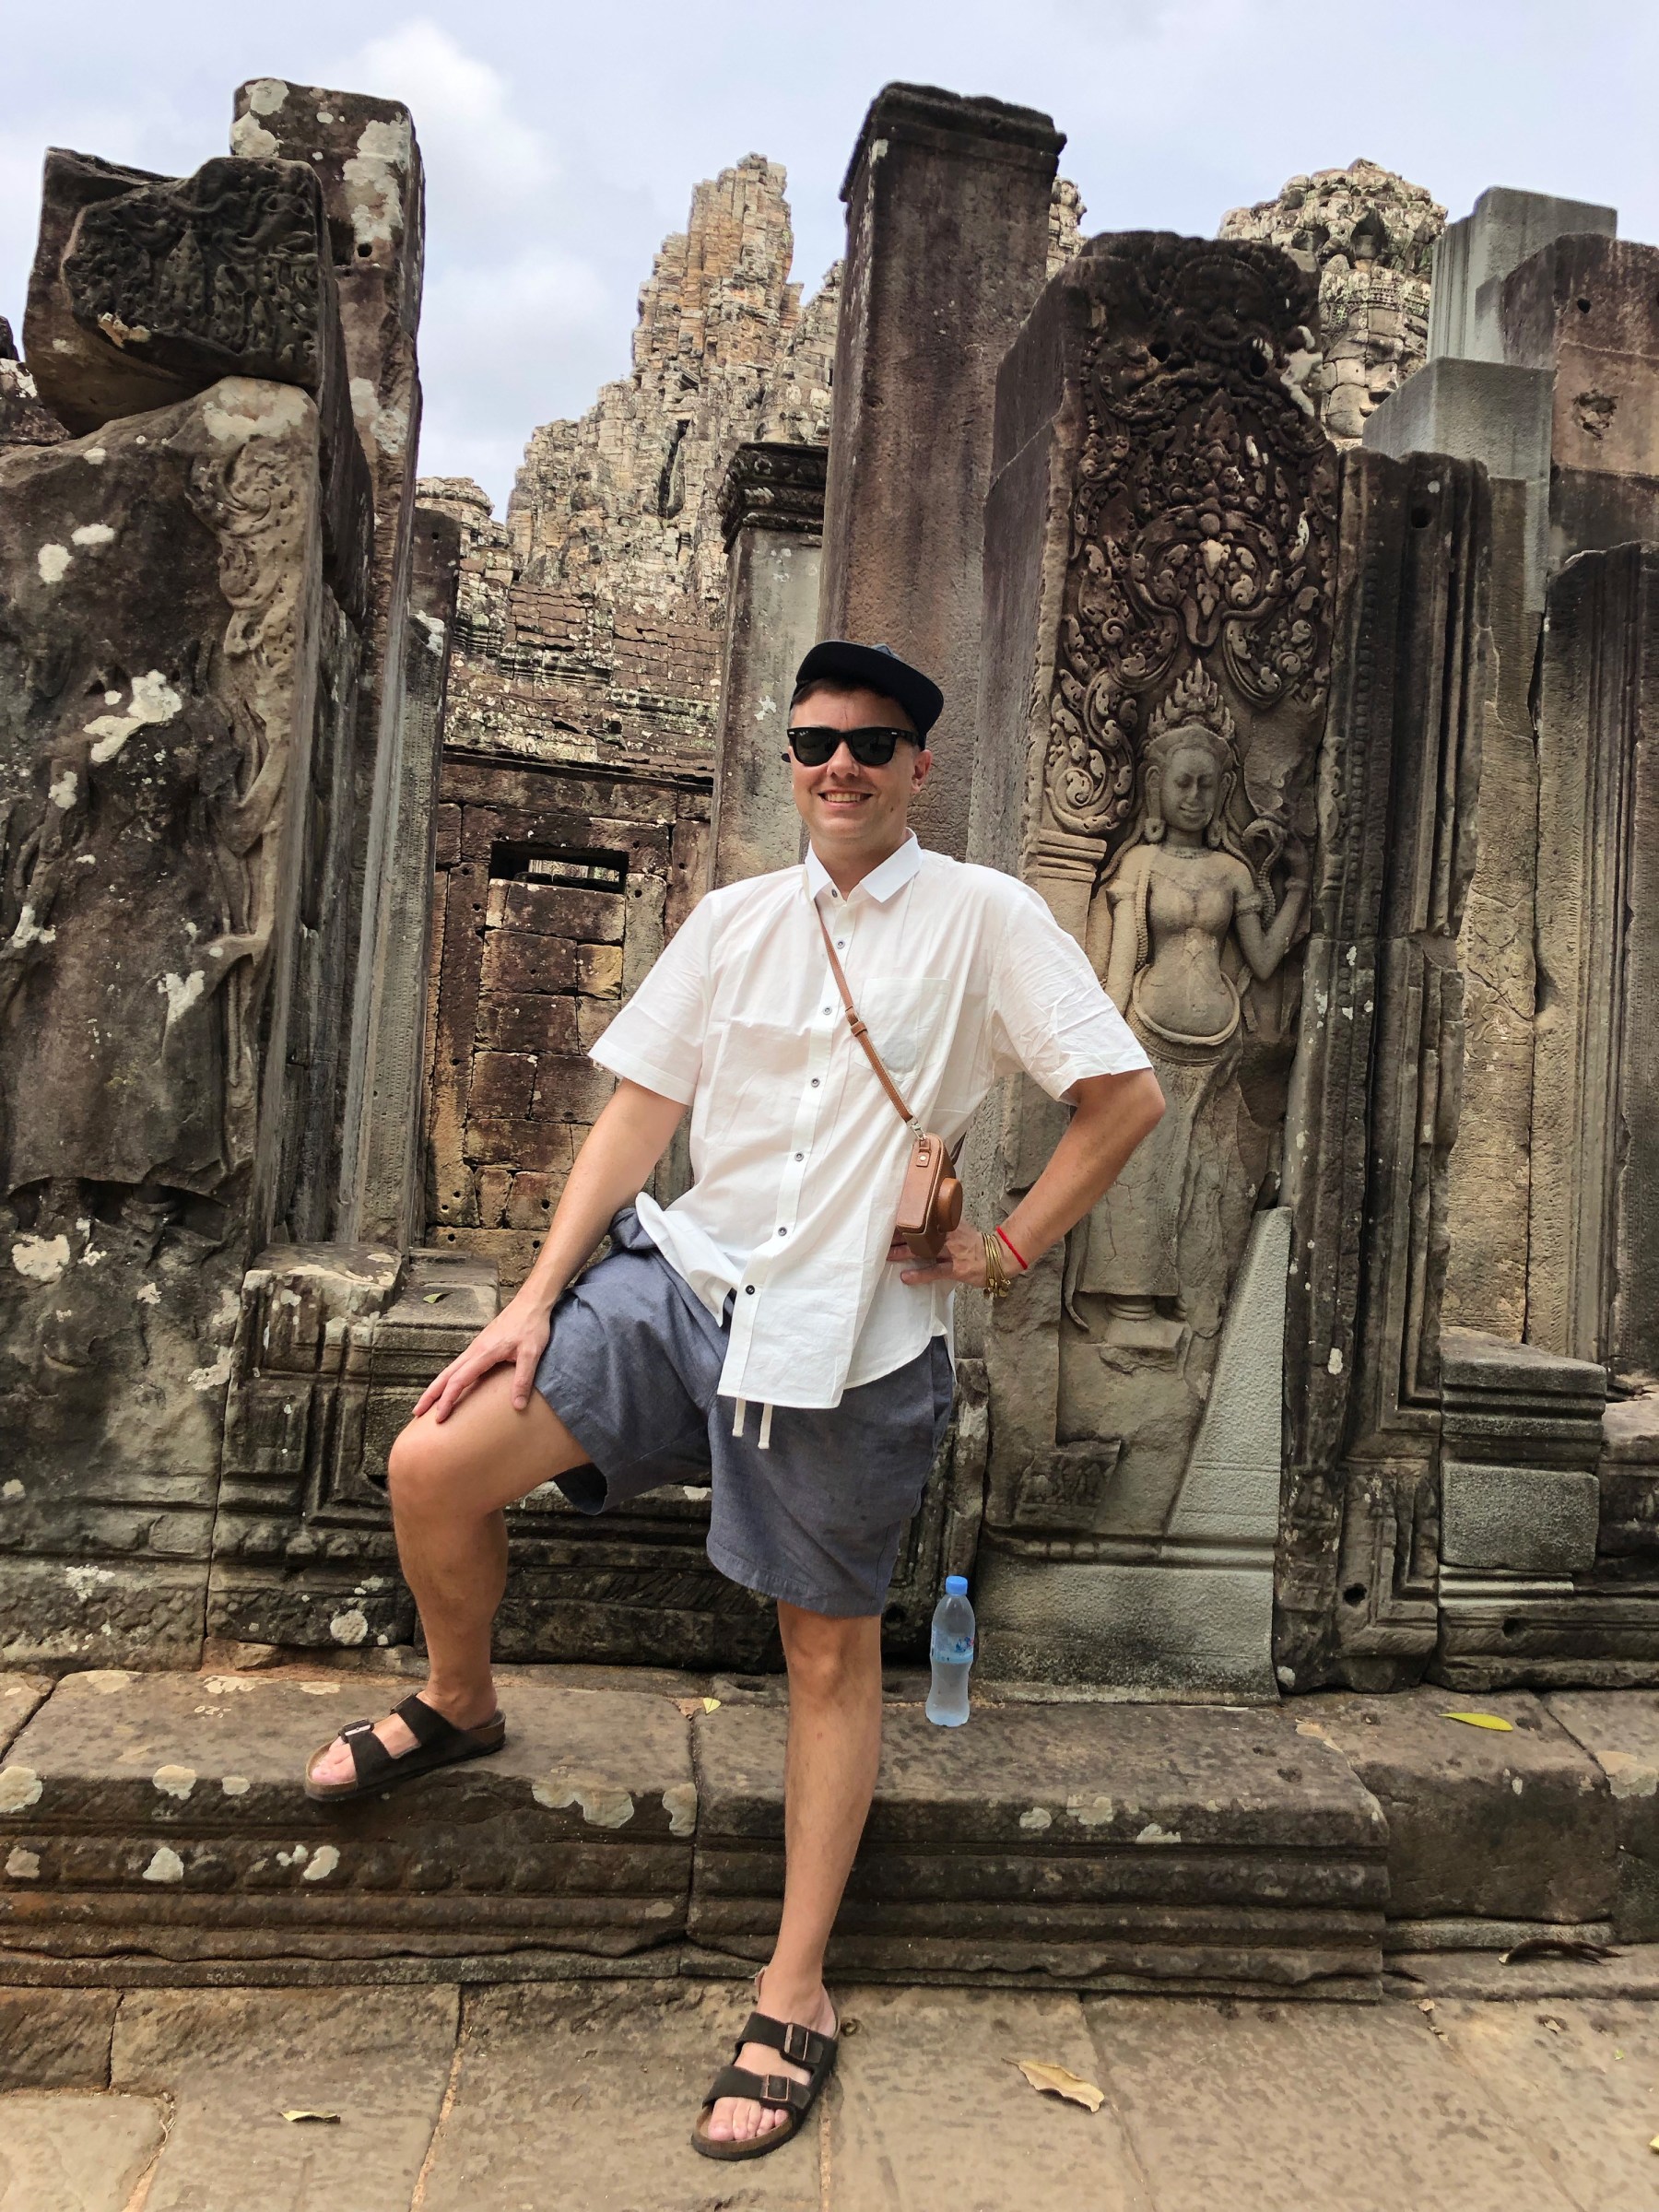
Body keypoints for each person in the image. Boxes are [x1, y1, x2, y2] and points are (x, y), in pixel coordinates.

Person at [301, 640, 1164, 2161]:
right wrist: (530, 1298)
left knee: (824, 1661)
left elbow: (1125, 1096)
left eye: (872, 744)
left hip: (853, 1337)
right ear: (791, 755)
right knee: (430, 1463)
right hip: (685, 1289)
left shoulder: (987, 919)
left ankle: (796, 1987)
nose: (838, 766)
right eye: (814, 741)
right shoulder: (737, 920)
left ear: (919, 767)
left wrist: (1009, 1245)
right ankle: (460, 1699)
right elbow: (642, 1112)